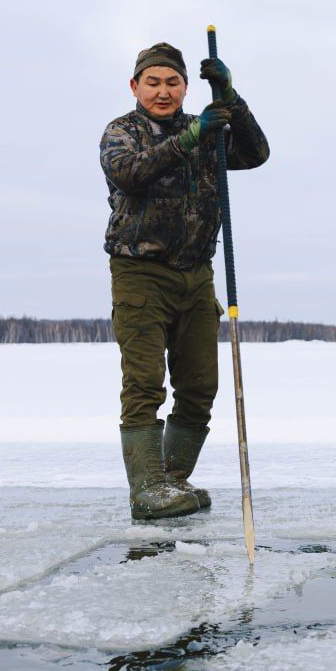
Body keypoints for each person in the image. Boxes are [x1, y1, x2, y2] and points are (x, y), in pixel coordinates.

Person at [100, 42, 269, 520]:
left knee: (199, 386)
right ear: (135, 86)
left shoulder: (208, 130)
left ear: (185, 87)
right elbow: (131, 173)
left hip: (197, 274)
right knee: (144, 383)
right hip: (140, 273)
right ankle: (147, 489)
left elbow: (256, 153)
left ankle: (172, 480)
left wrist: (231, 98)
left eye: (172, 82)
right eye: (153, 82)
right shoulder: (122, 132)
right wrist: (192, 136)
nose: (163, 91)